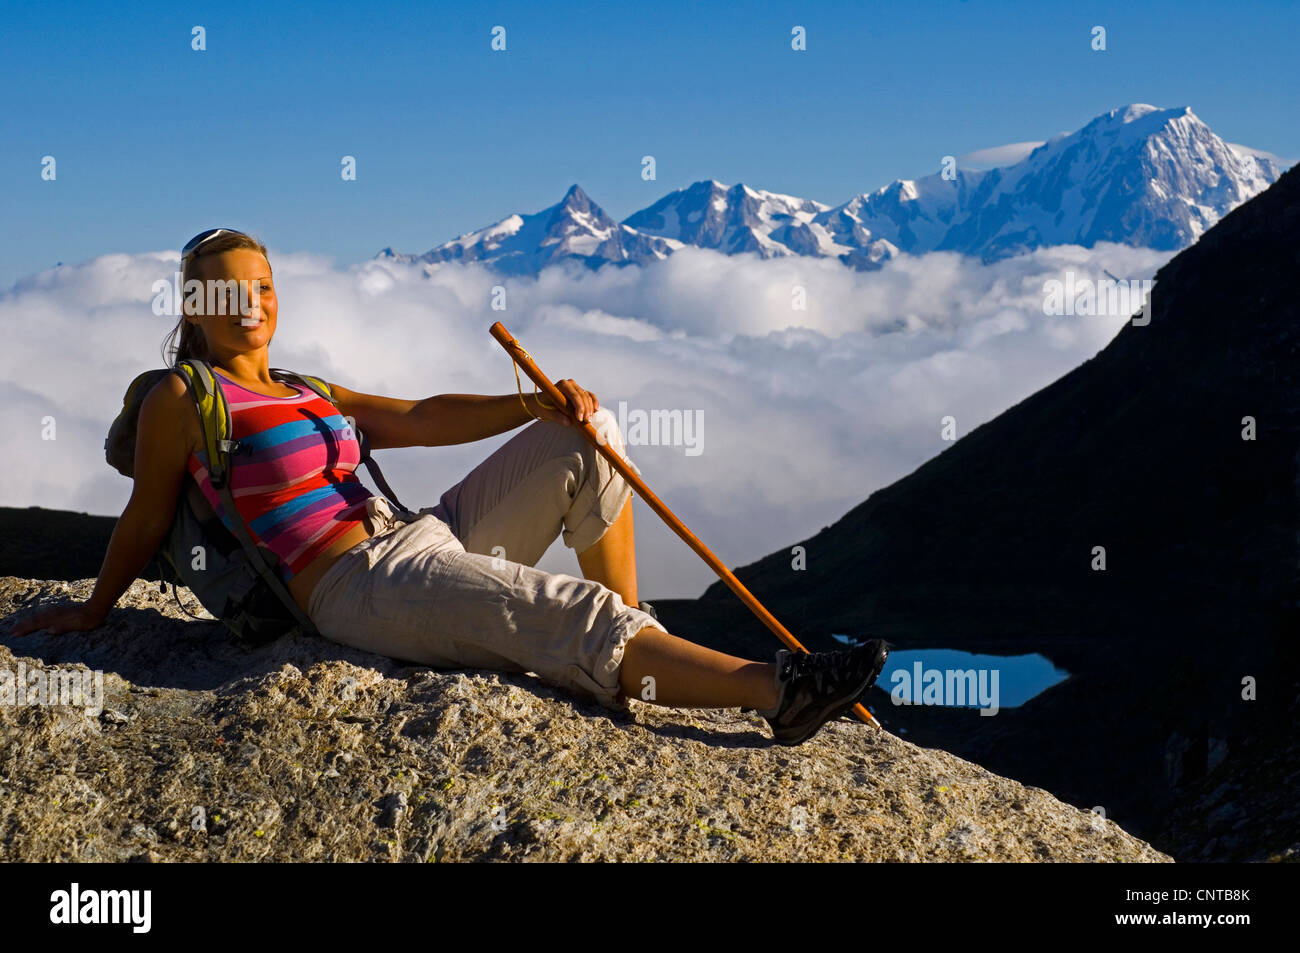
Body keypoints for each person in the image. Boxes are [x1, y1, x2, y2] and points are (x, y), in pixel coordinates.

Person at [6, 228, 888, 745]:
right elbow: (146, 513)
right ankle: (780, 692)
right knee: (570, 618)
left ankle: (648, 654)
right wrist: (94, 610)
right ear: (194, 307)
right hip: (353, 584)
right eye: (231, 293)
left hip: (418, 536)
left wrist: (535, 404)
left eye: (266, 287)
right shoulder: (183, 398)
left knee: (585, 442)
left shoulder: (304, 390)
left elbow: (420, 415)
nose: (255, 304)